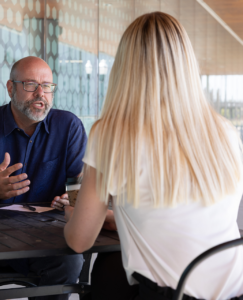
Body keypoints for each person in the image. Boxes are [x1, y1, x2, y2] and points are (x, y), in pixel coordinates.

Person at [62, 12, 243, 300]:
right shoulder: (224, 132)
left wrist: (71, 214)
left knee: (104, 280)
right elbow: (188, 218)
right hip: (234, 292)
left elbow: (80, 240)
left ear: (125, 67)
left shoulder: (111, 134)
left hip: (171, 295)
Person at [0, 56, 87, 300]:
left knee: (71, 262)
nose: (40, 93)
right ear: (10, 88)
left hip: (49, 237)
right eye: (30, 84)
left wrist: (72, 198)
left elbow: (81, 185)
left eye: (47, 86)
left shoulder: (69, 126)